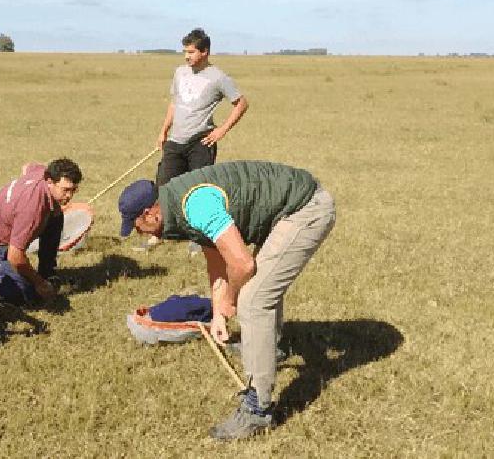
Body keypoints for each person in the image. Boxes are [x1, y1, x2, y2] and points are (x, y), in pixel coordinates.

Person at [117, 160, 337, 440]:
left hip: (305, 209)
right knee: (259, 289)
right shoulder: (178, 203)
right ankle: (272, 349)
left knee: (253, 300)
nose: (140, 234)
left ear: (150, 214)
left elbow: (243, 265)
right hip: (287, 206)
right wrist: (219, 313)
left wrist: (230, 301)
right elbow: (216, 261)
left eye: (137, 227)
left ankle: (258, 409)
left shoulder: (195, 206)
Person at [144, 28, 249, 250]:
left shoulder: (219, 77)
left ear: (205, 52)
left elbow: (241, 103)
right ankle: (159, 233)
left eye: (191, 52)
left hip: (201, 142)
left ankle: (198, 240)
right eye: (185, 51)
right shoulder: (180, 72)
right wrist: (163, 130)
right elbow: (175, 103)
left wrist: (222, 130)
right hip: (175, 139)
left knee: (198, 191)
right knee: (164, 186)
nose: (186, 56)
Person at [0, 158, 82, 306]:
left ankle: (48, 272)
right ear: (49, 182)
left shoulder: (41, 173)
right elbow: (15, 256)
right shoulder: (32, 209)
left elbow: (28, 166)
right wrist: (39, 284)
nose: (69, 196)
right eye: (65, 190)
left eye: (73, 190)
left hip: (7, 228)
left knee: (56, 215)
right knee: (23, 294)